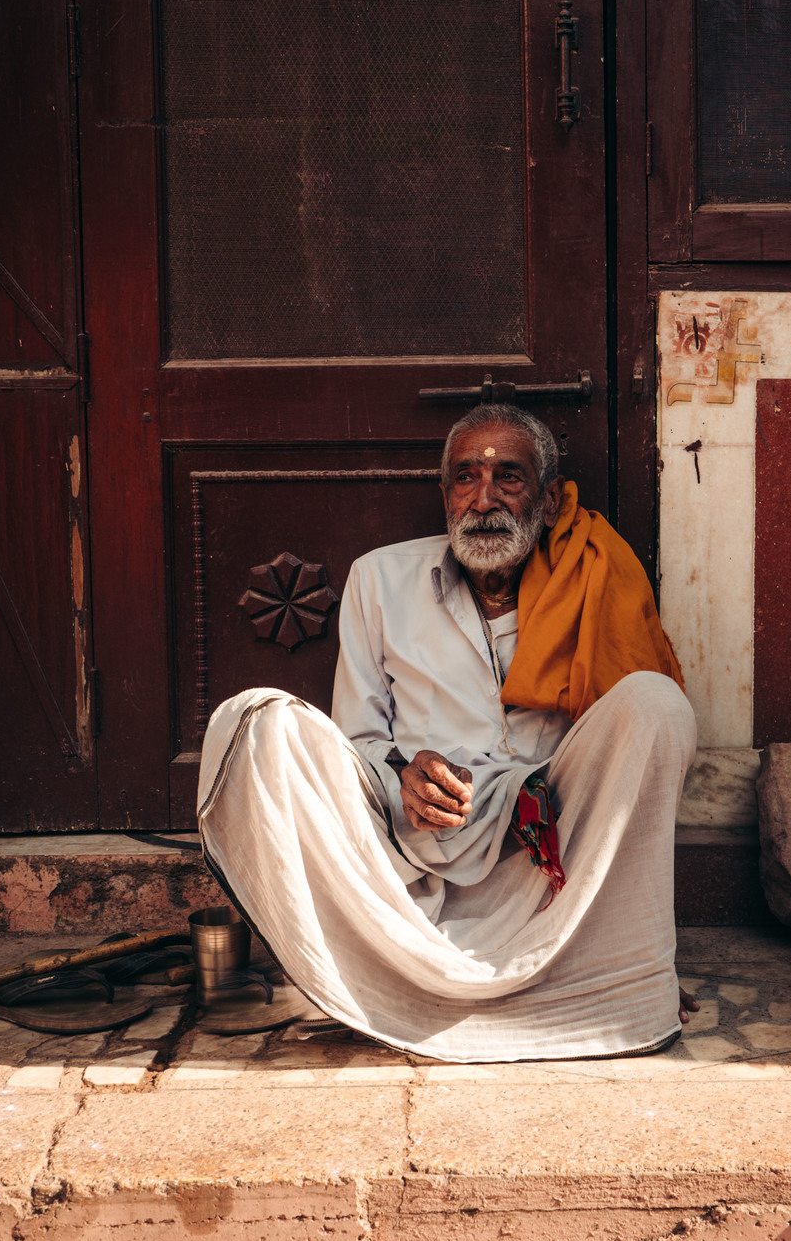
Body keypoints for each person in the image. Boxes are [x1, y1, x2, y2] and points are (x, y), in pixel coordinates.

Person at [197, 405, 698, 1062]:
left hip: (550, 854)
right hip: (415, 863)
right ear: (444, 497)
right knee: (259, 720)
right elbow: (355, 744)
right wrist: (400, 776)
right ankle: (360, 967)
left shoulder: (591, 576)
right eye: (465, 478)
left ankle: (615, 965)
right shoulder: (379, 579)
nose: (483, 498)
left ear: (548, 500)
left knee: (656, 702)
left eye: (508, 478)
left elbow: (621, 754)